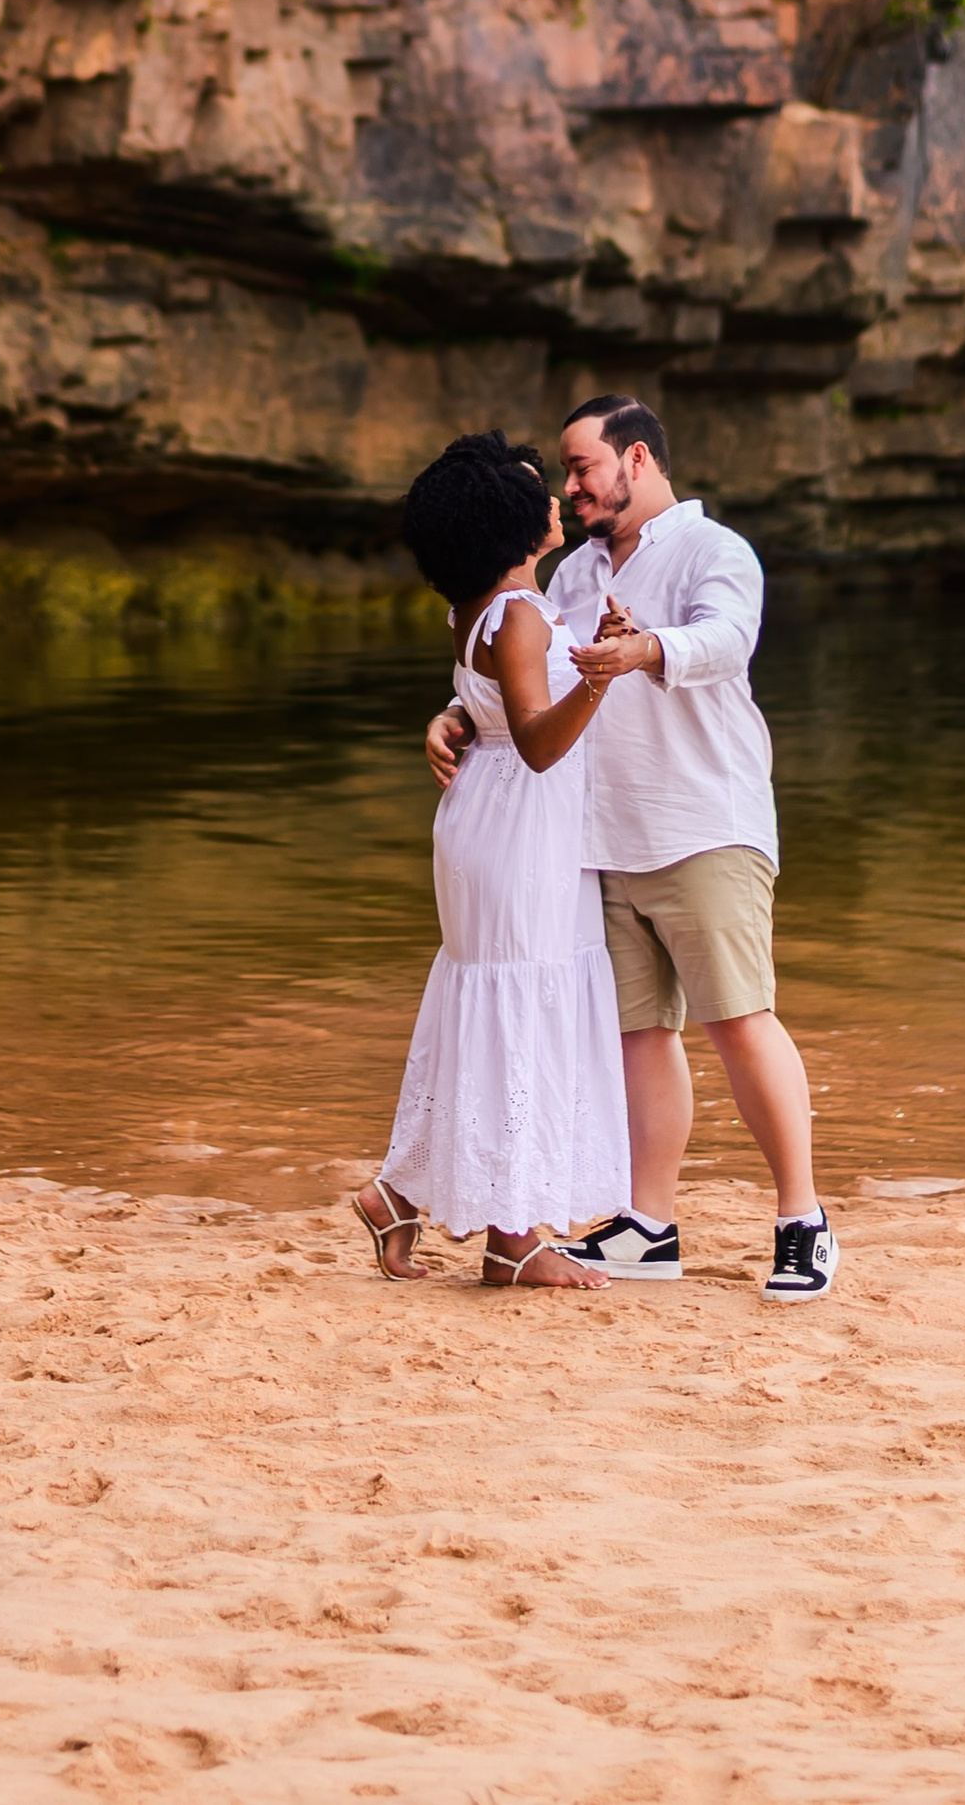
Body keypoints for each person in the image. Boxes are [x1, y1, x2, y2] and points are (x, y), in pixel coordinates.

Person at [426, 394, 837, 1301]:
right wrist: (461, 711)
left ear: (637, 459)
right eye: (566, 475)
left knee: (740, 1019)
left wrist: (646, 649)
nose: (570, 487)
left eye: (582, 468)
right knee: (638, 1035)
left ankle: (802, 1218)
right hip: (593, 839)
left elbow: (729, 640)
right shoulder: (570, 573)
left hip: (702, 822)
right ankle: (650, 1224)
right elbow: (526, 672)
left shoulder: (713, 550)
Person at [353, 433, 632, 1288]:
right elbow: (541, 742)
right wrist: (600, 675)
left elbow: (492, 712)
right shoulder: (519, 614)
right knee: (523, 1007)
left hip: (493, 816)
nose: (553, 499)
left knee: (496, 1006)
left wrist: (456, 715)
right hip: (521, 823)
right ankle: (514, 1237)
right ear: (510, 523)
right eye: (536, 491)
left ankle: (401, 1192)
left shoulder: (483, 606)